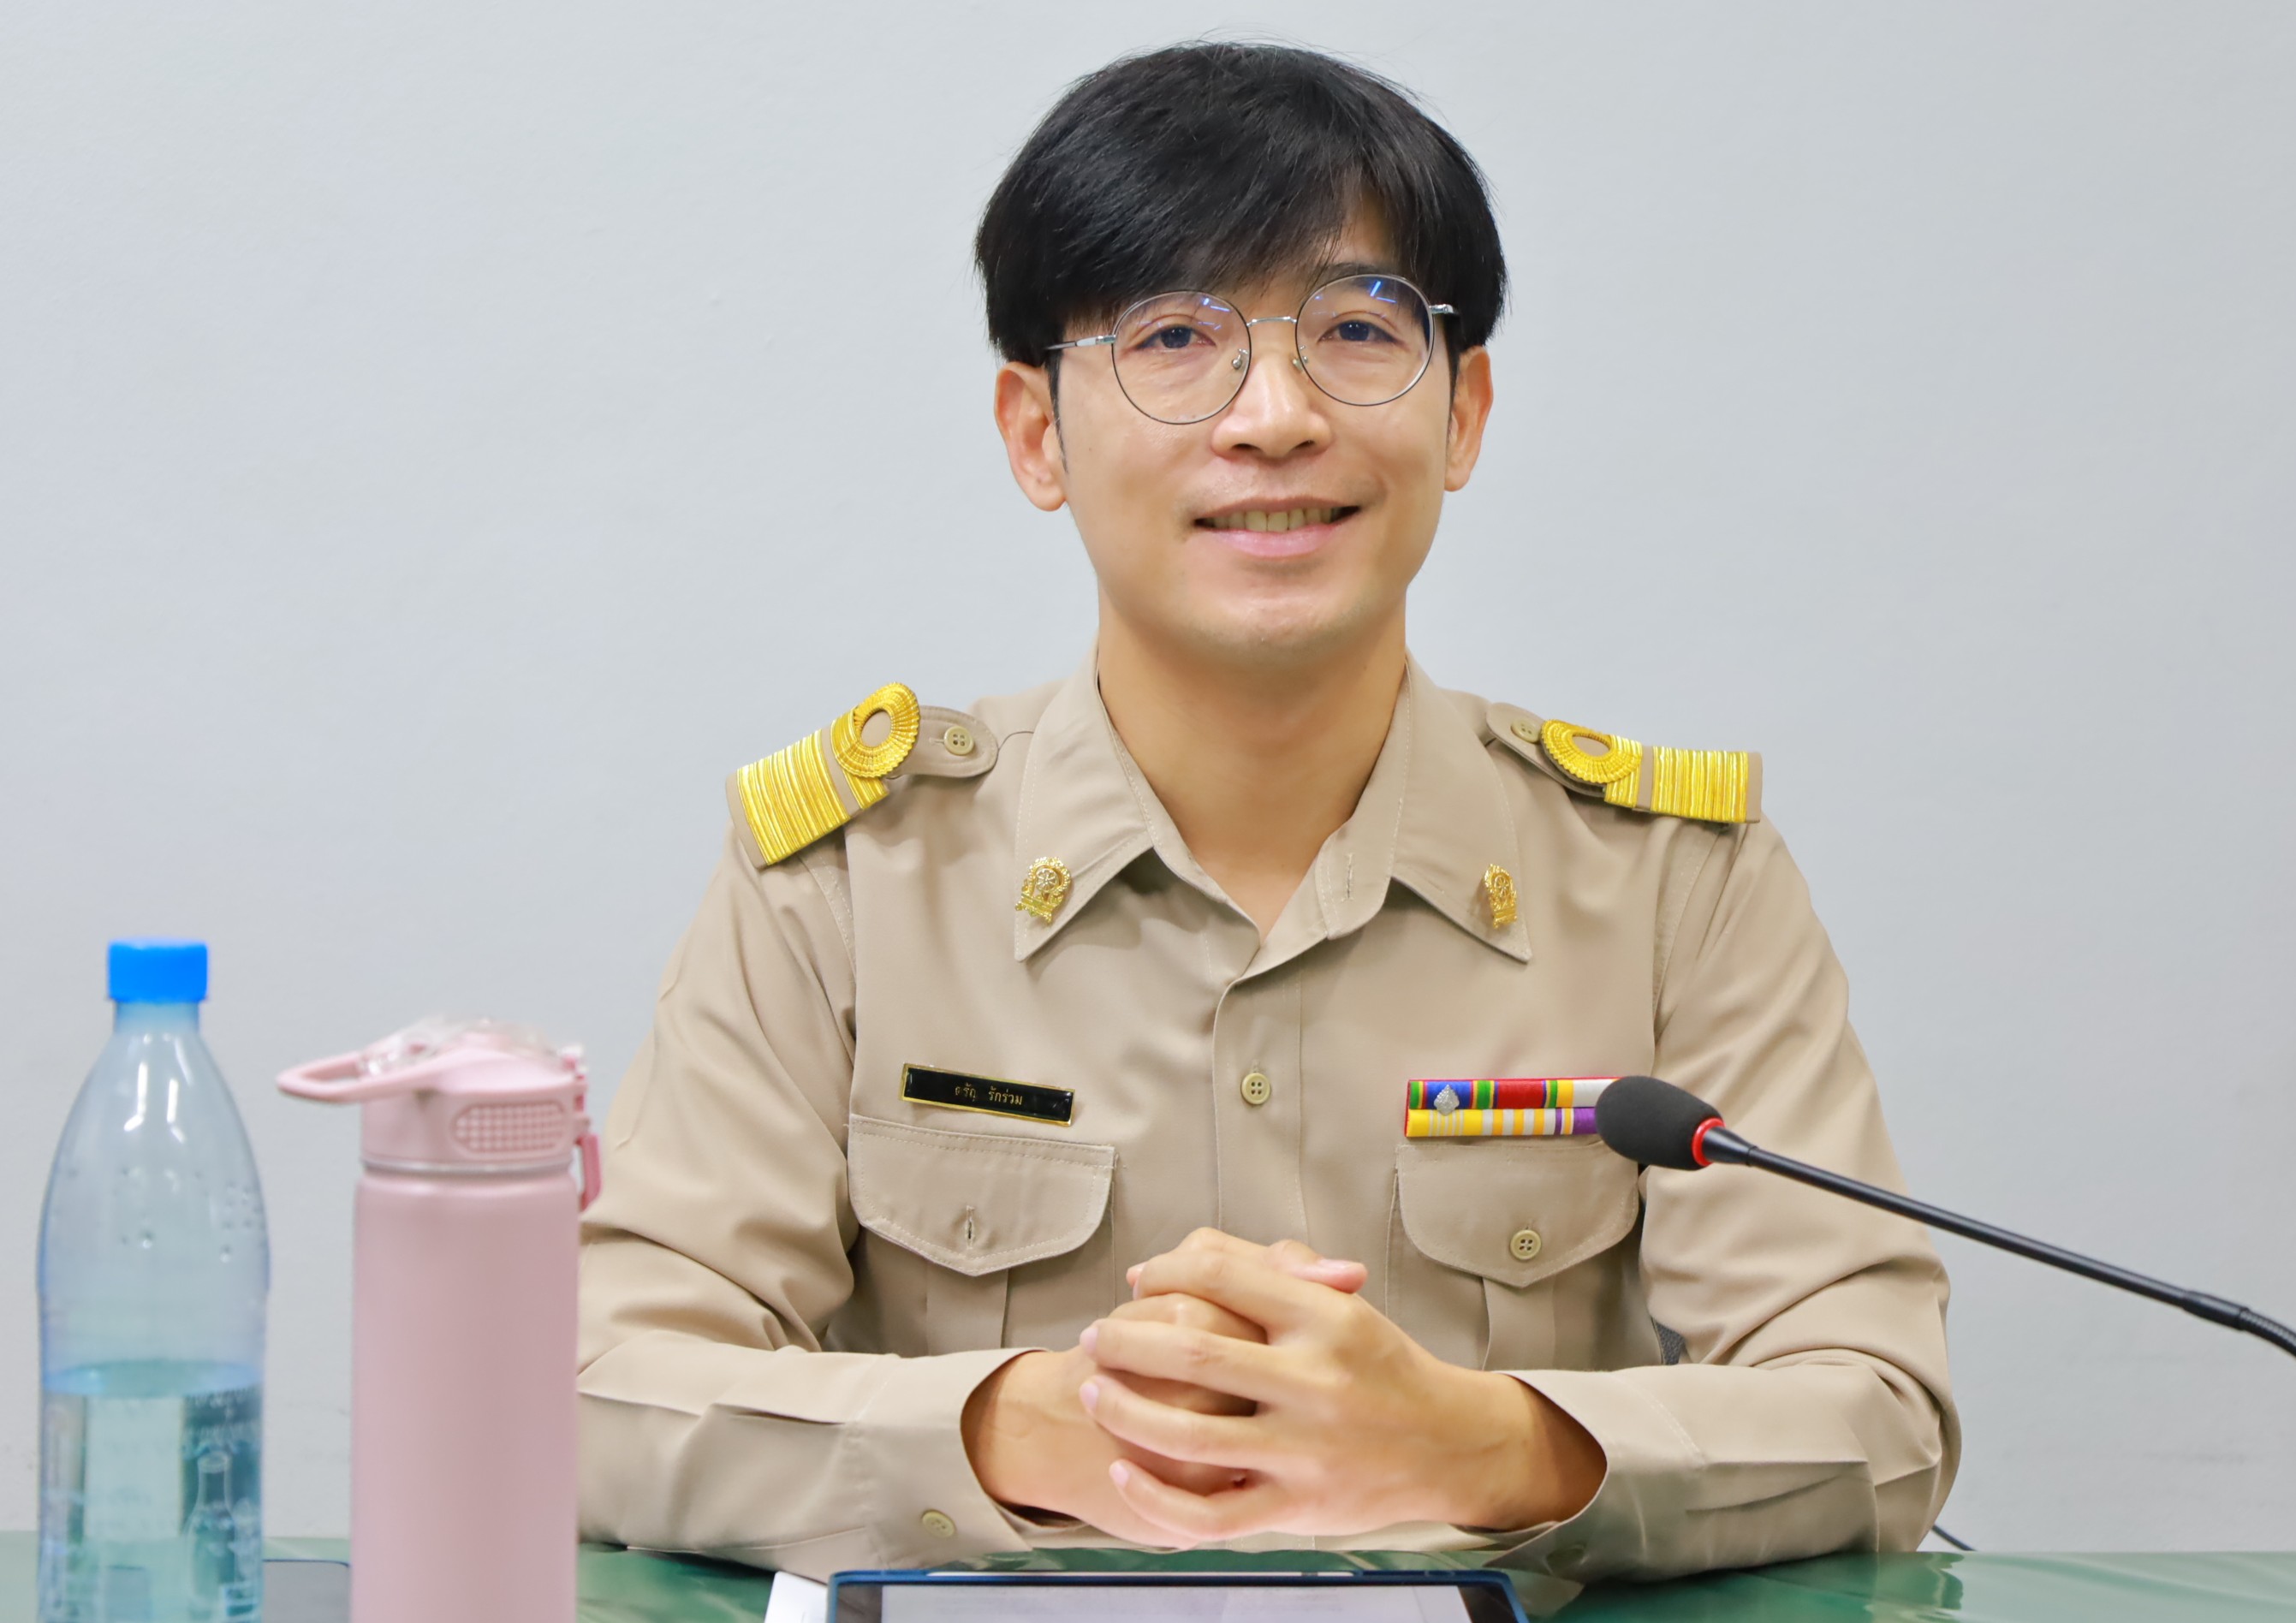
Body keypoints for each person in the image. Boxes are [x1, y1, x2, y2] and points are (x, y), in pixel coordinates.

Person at [576, 40, 1959, 1584]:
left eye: (1358, 329)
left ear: (1463, 411)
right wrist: (1020, 1432)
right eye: (1176, 338)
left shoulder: (1667, 883)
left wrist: (1486, 1445)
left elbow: (1875, 1413)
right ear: (1035, 431)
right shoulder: (853, 879)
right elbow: (600, 1390)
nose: (1276, 416)